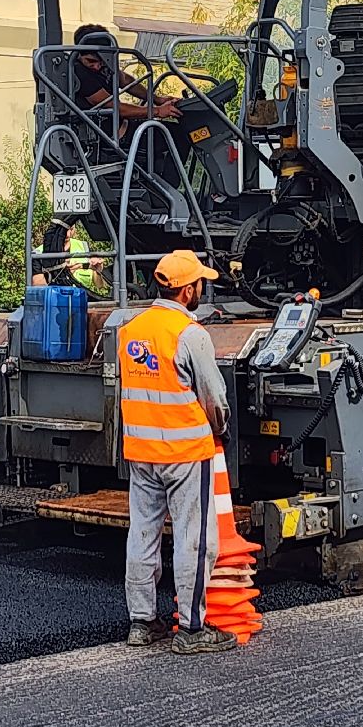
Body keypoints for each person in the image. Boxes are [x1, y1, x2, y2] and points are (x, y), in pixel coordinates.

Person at [117, 248, 237, 655]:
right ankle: (191, 628)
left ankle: (141, 622)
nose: (202, 287)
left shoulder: (130, 330)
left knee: (143, 534)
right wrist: (220, 429)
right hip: (186, 451)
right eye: (200, 282)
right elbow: (214, 398)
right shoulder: (191, 335)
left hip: (141, 451)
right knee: (194, 538)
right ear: (188, 290)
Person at [72, 24, 183, 140]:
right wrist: (157, 111)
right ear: (78, 54)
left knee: (177, 131)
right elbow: (114, 107)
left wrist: (157, 99)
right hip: (110, 137)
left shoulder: (105, 65)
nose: (97, 66)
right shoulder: (79, 72)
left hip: (123, 125)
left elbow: (125, 80)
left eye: (102, 62)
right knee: (173, 136)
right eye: (91, 61)